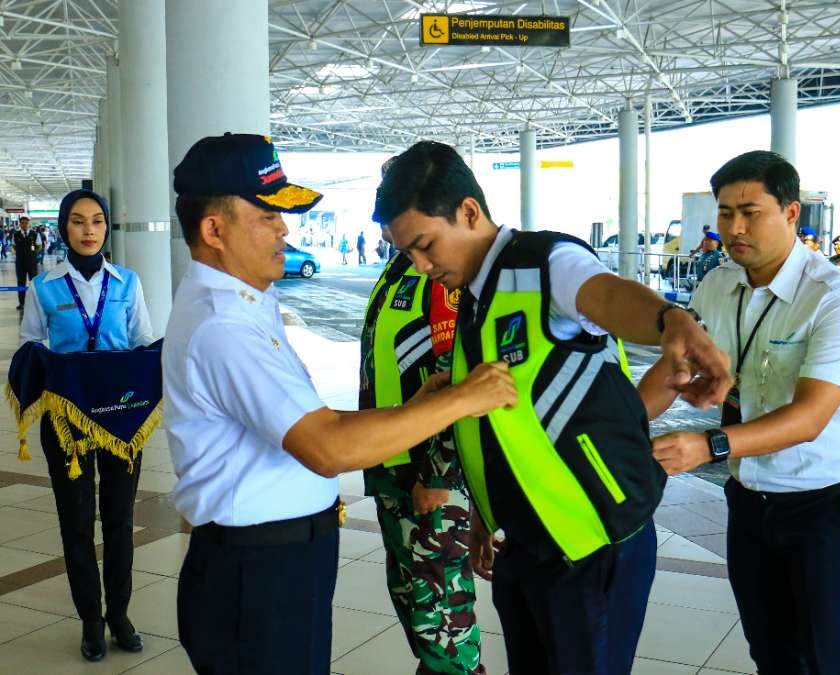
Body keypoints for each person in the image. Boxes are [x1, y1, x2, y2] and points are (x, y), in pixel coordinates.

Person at [373, 140, 731, 675]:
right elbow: (504, 423)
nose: (421, 266)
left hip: (590, 545)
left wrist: (668, 320)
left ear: (469, 212)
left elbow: (605, 295)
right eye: (407, 255)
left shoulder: (544, 262)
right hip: (527, 544)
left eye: (426, 245)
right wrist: (483, 513)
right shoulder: (474, 295)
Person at [164, 133, 517, 675]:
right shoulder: (224, 326)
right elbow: (325, 446)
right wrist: (463, 400)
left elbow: (312, 422)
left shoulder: (248, 304)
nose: (285, 228)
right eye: (267, 215)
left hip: (276, 562)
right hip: (256, 573)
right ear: (214, 229)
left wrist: (413, 407)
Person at [643, 150, 840, 674]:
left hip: (828, 502)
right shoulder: (717, 284)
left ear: (792, 213)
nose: (735, 227)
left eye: (751, 211)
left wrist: (708, 446)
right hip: (751, 498)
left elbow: (811, 417)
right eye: (725, 213)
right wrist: (624, 426)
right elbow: (672, 370)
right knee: (771, 650)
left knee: (833, 655)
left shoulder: (834, 299)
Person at [19, 189, 154, 662]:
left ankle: (119, 613)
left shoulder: (128, 283)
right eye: (78, 222)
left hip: (120, 417)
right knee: (76, 523)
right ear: (64, 228)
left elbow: (142, 343)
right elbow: (30, 347)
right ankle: (91, 621)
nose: (89, 230)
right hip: (67, 421)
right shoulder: (44, 287)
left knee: (119, 520)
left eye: (97, 221)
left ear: (106, 226)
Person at [359, 216, 483, 670]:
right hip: (392, 464)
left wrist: (438, 473)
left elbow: (456, 379)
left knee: (441, 615)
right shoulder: (398, 267)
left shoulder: (439, 272)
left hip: (429, 474)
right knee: (412, 599)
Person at [13, 216, 38, 309]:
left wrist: (33, 254)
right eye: (22, 223)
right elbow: (13, 245)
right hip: (20, 263)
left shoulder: (34, 234)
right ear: (20, 224)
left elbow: (39, 246)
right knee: (20, 283)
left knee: (34, 283)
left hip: (32, 263)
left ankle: (34, 303)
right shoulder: (16, 234)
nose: (24, 224)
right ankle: (21, 303)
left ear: (29, 224)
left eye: (26, 223)